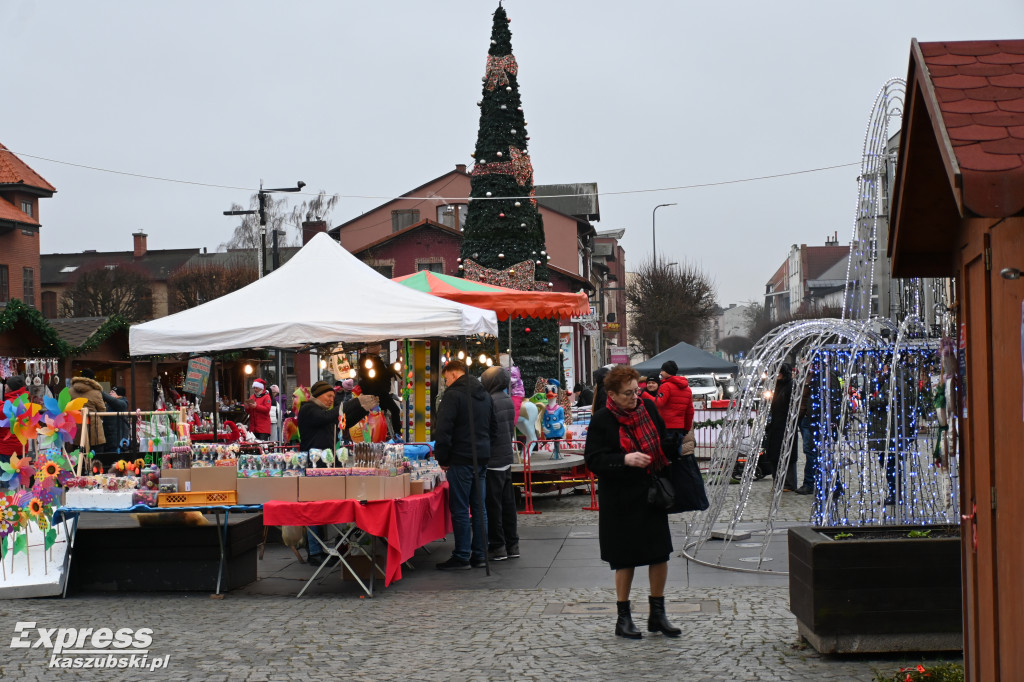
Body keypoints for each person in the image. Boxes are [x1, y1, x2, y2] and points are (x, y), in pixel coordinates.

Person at [584, 365, 681, 640]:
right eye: (628, 393)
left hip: (650, 494)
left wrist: (673, 444)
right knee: (624, 558)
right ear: (611, 394)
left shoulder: (647, 409)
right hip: (620, 499)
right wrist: (624, 459)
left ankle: (657, 614)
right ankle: (623, 617)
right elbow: (593, 459)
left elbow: (660, 440)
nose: (635, 397)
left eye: (636, 391)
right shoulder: (602, 420)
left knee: (660, 553)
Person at [433, 358, 494, 570]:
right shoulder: (484, 394)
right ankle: (480, 555)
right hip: (481, 458)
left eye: (446, 378)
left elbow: (443, 430)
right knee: (479, 508)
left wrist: (443, 458)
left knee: (460, 509)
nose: (446, 383)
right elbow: (493, 427)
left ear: (454, 374)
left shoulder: (453, 395)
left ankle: (461, 555)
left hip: (460, 458)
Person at [297, 381, 343, 566]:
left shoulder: (322, 412)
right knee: (314, 509)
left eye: (333, 396)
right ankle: (314, 552)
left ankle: (319, 548)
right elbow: (326, 417)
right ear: (318, 395)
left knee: (321, 507)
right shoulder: (309, 409)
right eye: (329, 396)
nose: (332, 400)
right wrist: (345, 406)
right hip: (313, 466)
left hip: (326, 465)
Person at [480, 366, 520, 562]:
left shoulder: (490, 401)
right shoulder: (507, 400)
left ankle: (498, 546)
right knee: (508, 504)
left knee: (494, 505)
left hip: (493, 460)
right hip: (505, 458)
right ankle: (513, 544)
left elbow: (489, 431)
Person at [763, 363, 798, 492]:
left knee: (787, 453)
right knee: (774, 454)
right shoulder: (774, 386)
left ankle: (789, 483)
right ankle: (777, 481)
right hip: (775, 424)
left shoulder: (790, 385)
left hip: (785, 424)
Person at [655, 360, 694, 459]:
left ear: (667, 371)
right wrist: (686, 429)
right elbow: (690, 412)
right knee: (677, 457)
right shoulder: (687, 389)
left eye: (662, 370)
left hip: (666, 427)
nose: (660, 373)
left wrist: (645, 395)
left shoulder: (666, 386)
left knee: (665, 458)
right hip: (680, 428)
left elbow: (659, 403)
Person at [69, 369, 107, 451]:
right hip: (93, 427)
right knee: (95, 453)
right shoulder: (96, 392)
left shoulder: (70, 391)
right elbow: (102, 410)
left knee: (77, 451)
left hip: (76, 425)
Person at [0, 376, 28, 487]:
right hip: (21, 447)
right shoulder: (24, 401)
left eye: (7, 384)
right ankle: (17, 499)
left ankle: (8, 502)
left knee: (6, 481)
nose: (5, 385)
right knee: (17, 479)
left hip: (7, 448)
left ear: (11, 388)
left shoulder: (9, 404)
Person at [101, 386, 130, 453]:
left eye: (113, 392)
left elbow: (113, 401)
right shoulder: (108, 404)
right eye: (110, 392)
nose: (110, 393)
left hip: (118, 440)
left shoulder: (123, 403)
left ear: (119, 394)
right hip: (109, 439)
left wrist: (100, 392)